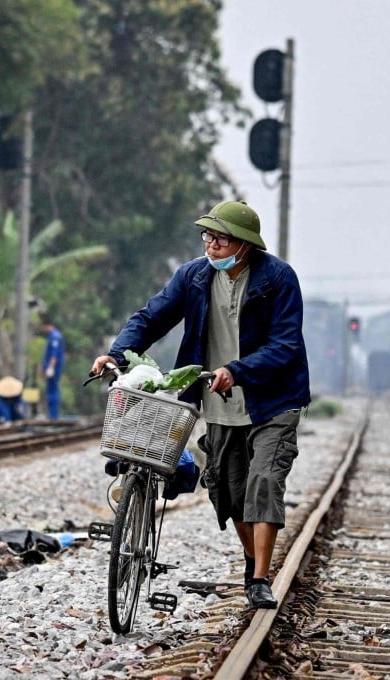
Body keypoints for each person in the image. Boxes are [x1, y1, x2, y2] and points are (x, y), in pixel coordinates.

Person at [90, 200, 310, 610]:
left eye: (221, 239)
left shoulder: (278, 279)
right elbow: (151, 318)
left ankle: (259, 578)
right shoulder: (192, 277)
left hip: (273, 400)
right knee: (227, 491)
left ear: (245, 245)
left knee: (264, 482)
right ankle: (252, 558)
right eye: (207, 237)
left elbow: (286, 344)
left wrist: (239, 370)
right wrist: (117, 354)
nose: (211, 246)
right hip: (218, 401)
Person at [41, 315, 65, 419]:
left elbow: (54, 355)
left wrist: (51, 367)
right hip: (52, 368)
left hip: (54, 369)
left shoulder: (55, 336)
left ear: (47, 326)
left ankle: (53, 416)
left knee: (53, 392)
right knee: (50, 391)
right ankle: (52, 415)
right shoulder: (51, 336)